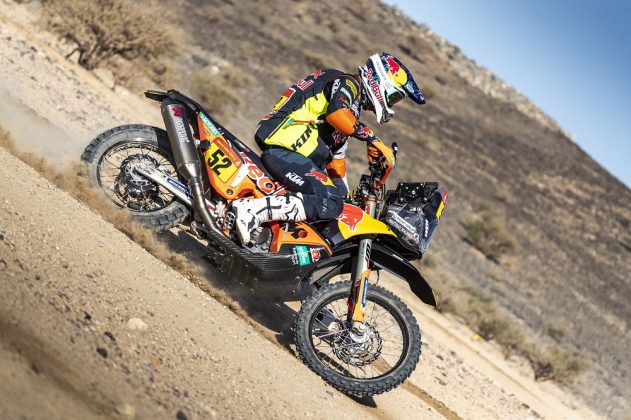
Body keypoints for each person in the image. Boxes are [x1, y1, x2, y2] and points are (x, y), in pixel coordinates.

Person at [232, 52, 426, 244]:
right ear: (379, 82)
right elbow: (336, 114)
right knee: (330, 202)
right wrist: (371, 138)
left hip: (294, 158)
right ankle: (251, 210)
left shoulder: (352, 109)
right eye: (394, 96)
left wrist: (346, 198)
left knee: (335, 203)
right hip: (283, 149)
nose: (392, 103)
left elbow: (336, 160)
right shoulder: (348, 83)